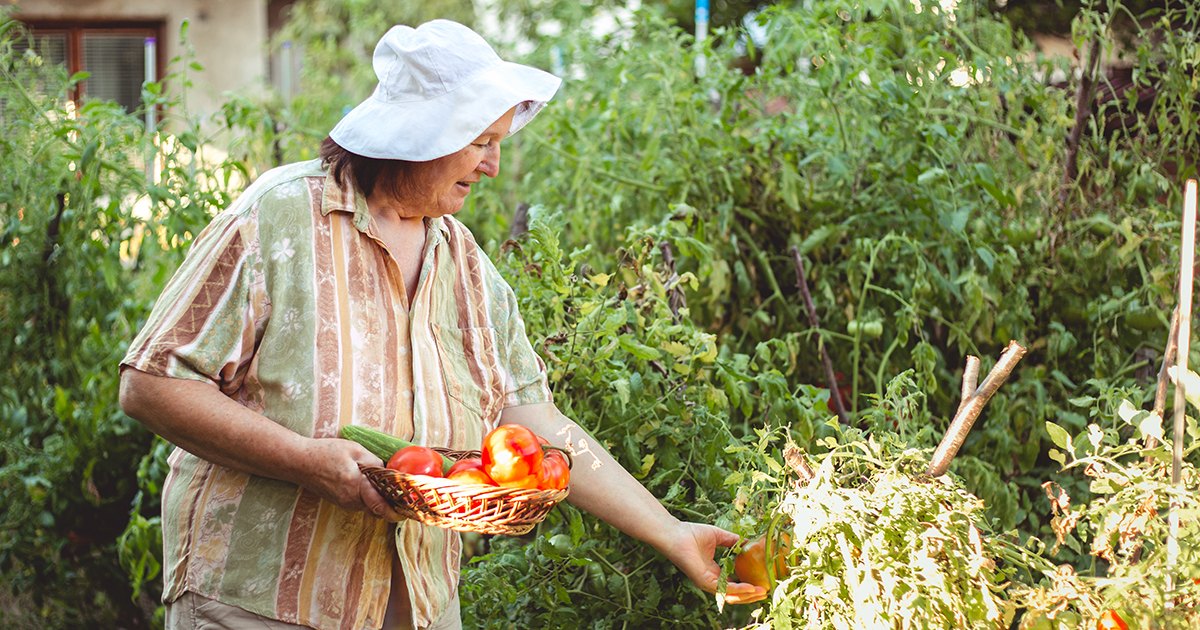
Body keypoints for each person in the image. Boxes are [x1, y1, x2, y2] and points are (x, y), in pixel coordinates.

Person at [119, 19, 767, 630]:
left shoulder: (467, 268)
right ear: (417, 135)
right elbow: (151, 383)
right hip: (261, 603)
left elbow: (537, 426)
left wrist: (671, 531)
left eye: (498, 145)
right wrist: (306, 462)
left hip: (417, 604)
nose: (493, 166)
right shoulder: (278, 219)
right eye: (480, 143)